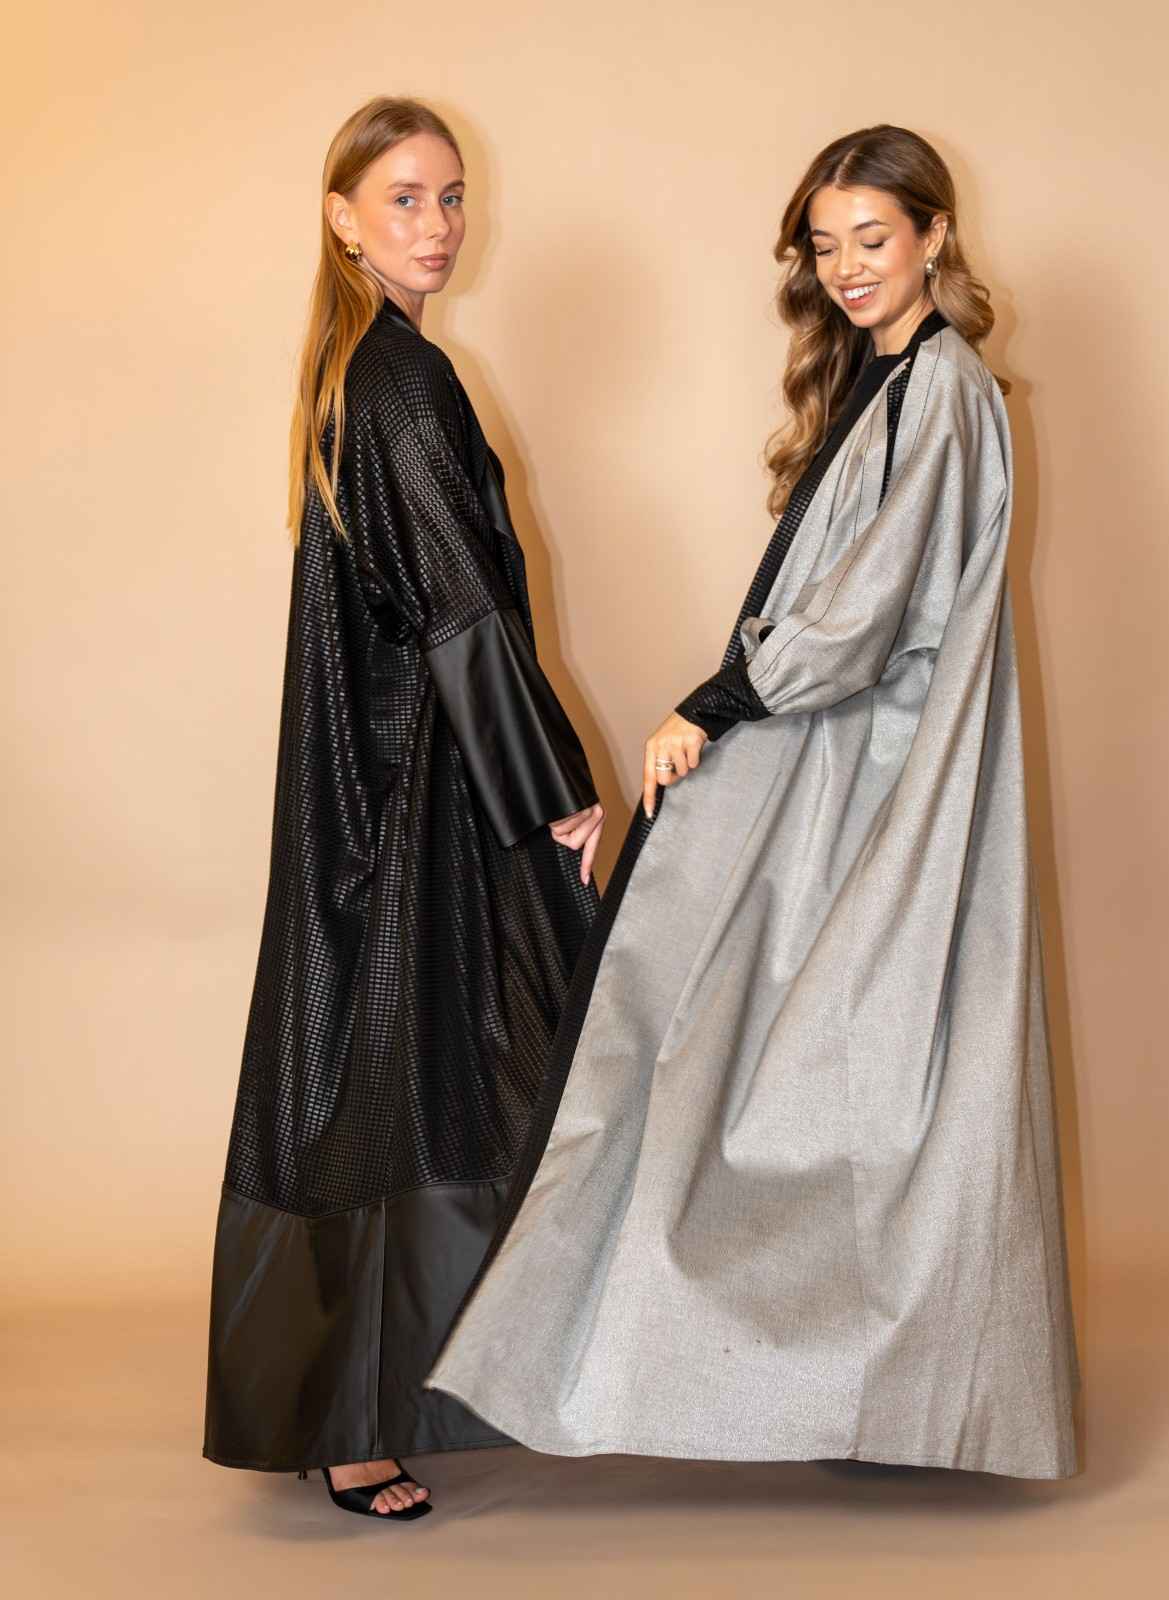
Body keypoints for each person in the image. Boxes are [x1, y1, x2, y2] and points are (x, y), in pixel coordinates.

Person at [427, 125, 1078, 1480]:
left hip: (885, 782)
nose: (848, 268)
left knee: (860, 1080)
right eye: (826, 246)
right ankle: (764, 1383)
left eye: (874, 239)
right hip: (843, 766)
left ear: (936, 236)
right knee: (775, 1062)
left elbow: (868, 612)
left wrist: (716, 704)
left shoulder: (945, 388)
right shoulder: (883, 381)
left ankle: (875, 1394)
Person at [203, 97, 604, 1521]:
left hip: (387, 787)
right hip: (403, 801)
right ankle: (351, 1420)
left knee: (399, 1082)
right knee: (385, 1086)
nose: (437, 226)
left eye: (450, 197)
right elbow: (459, 612)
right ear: (344, 217)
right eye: (405, 199)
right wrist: (553, 794)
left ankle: (392, 1390)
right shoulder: (399, 383)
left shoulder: (367, 369)